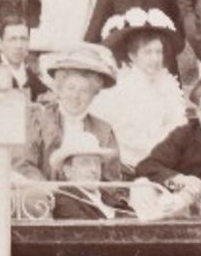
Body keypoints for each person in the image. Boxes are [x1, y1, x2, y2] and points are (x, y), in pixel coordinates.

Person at [91, 10, 189, 166]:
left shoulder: (167, 86)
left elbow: (177, 125)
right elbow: (127, 139)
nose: (155, 59)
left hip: (164, 161)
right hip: (130, 165)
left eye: (159, 52)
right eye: (148, 52)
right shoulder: (120, 89)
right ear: (132, 56)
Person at [133, 79, 201, 213]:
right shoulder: (184, 135)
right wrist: (178, 179)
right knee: (141, 186)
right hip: (182, 207)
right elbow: (146, 165)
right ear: (197, 112)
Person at [19, 43, 123, 180]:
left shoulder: (104, 131)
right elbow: (24, 165)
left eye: (84, 91)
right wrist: (46, 192)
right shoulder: (37, 120)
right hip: (44, 197)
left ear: (93, 95)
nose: (76, 96)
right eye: (71, 88)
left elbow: (111, 180)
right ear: (59, 89)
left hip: (87, 199)